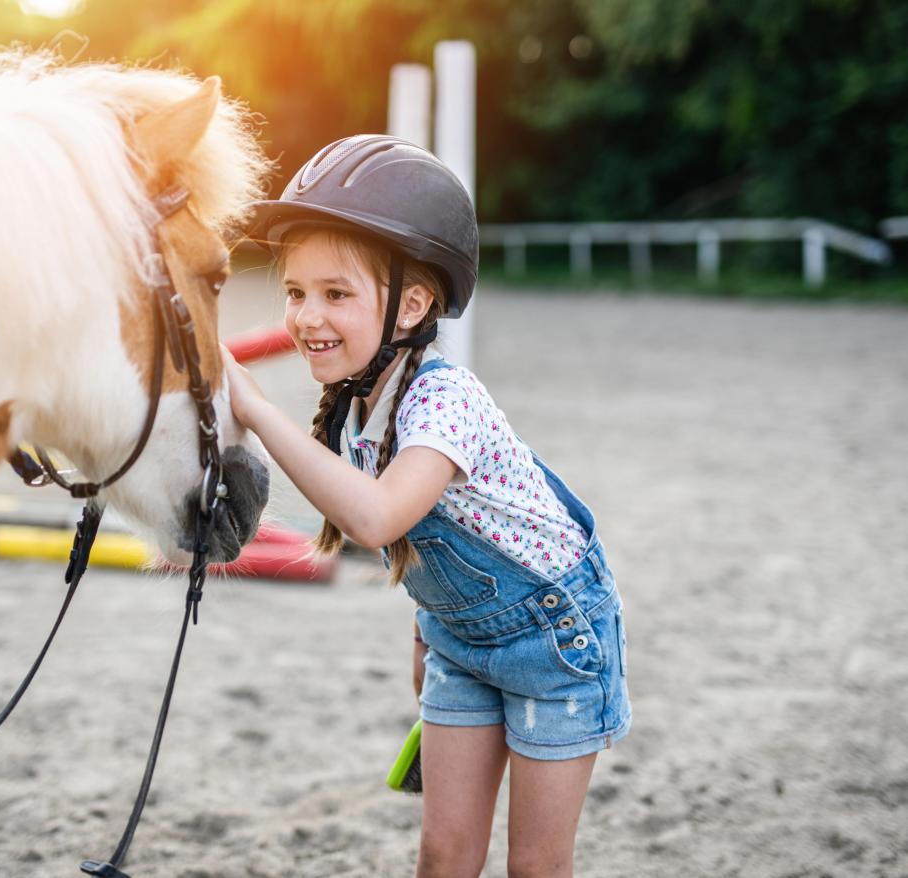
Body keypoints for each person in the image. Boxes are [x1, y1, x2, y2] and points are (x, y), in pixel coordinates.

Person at [222, 134, 631, 878]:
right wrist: (429, 626)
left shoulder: (447, 398)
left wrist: (252, 406)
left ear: (412, 304)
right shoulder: (354, 411)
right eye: (295, 292)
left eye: (336, 294)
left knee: (535, 866)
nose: (307, 316)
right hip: (459, 643)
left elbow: (378, 517)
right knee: (443, 855)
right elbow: (432, 540)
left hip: (554, 646)